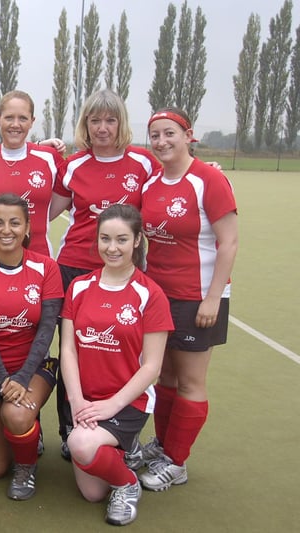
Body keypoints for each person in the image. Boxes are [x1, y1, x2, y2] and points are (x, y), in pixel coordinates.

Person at [49, 89, 159, 460]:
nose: (102, 127)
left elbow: (170, 185)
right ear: (85, 124)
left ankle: (123, 430)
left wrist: (207, 173)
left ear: (121, 123)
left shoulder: (143, 163)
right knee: (74, 353)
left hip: (125, 272)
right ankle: (72, 427)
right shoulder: (75, 165)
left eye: (110, 120)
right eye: (95, 120)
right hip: (76, 269)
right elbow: (43, 209)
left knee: (122, 354)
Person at [137, 107, 238, 491]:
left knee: (191, 382)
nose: (162, 142)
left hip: (198, 297)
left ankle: (177, 462)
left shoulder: (208, 179)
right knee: (164, 375)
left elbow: (229, 242)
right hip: (159, 296)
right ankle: (163, 446)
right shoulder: (151, 184)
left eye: (169, 134)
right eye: (156, 135)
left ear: (188, 135)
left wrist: (212, 298)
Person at [60, 204, 173, 526]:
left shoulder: (149, 294)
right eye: (105, 239)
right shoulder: (80, 287)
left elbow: (152, 366)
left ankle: (127, 483)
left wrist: (112, 405)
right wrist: (77, 399)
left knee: (81, 445)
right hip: (85, 401)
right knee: (92, 492)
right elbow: (68, 350)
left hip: (126, 401)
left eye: (121, 239)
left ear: (137, 240)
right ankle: (126, 452)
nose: (112, 248)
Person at [0, 193, 63, 501]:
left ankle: (26, 466)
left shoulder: (47, 268)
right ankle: (24, 429)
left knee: (16, 417)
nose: (7, 230)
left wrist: (21, 377)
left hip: (31, 370)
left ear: (28, 228)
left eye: (15, 223)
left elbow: (46, 331)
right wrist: (4, 377)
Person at [0, 90, 67, 260]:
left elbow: (67, 197)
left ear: (32, 121)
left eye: (22, 118)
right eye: (9, 118)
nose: (15, 124)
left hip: (36, 257)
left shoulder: (50, 159)